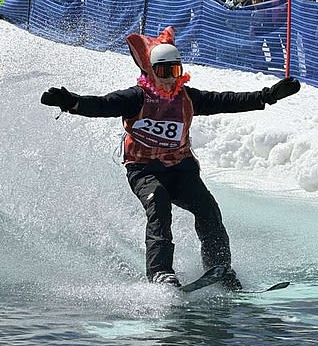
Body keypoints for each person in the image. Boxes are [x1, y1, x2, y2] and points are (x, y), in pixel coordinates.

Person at [40, 26, 301, 289]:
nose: (170, 79)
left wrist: (266, 96)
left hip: (181, 169)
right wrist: (71, 102)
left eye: (175, 71)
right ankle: (160, 272)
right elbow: (102, 105)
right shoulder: (136, 98)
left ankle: (219, 267)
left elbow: (226, 100)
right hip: (144, 170)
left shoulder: (187, 98)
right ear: (151, 72)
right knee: (159, 203)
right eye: (164, 72)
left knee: (207, 209)